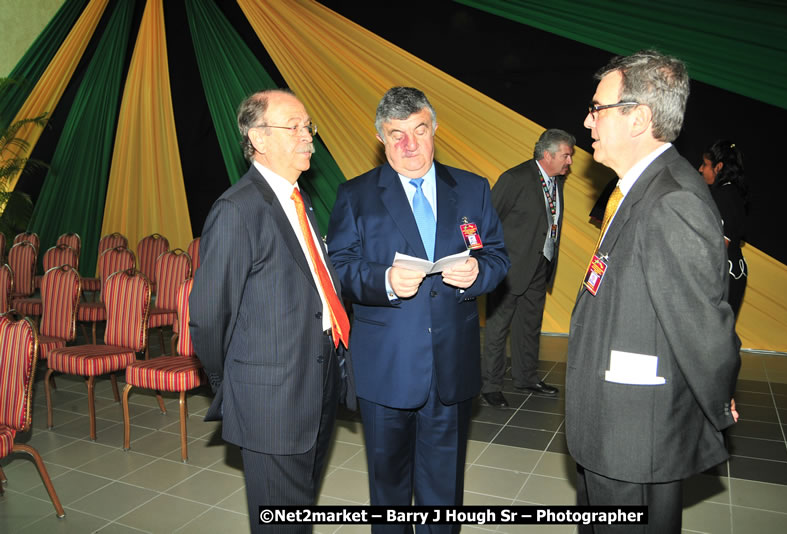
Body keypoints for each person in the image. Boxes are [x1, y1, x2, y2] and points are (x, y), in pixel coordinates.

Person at [565, 50, 741, 532]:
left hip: (634, 434)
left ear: (638, 118)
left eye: (597, 109)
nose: (587, 121)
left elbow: (703, 324)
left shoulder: (672, 200)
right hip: (618, 428)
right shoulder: (641, 189)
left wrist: (718, 396)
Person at [327, 86, 509, 533]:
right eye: (396, 135)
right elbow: (340, 269)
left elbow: (498, 257)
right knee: (388, 488)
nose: (409, 145)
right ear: (381, 140)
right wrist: (384, 281)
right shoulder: (356, 195)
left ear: (434, 129)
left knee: (443, 488)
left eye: (418, 130)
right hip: (387, 366)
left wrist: (478, 274)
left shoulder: (471, 188)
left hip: (451, 364)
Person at [189, 89, 351, 533]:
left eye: (308, 126)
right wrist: (237, 385)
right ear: (258, 138)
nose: (307, 137)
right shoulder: (237, 209)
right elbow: (207, 316)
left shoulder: (300, 201)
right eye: (293, 127)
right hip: (271, 397)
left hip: (316, 380)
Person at [482, 129, 575, 408]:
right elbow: (487, 220)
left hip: (540, 264)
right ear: (547, 155)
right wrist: (492, 261)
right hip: (508, 268)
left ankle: (526, 377)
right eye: (566, 155)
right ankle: (490, 385)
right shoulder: (514, 178)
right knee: (498, 328)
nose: (569, 161)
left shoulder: (556, 181)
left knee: (530, 325)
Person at [699, 140, 749, 318]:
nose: (701, 169)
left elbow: (719, 247)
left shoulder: (723, 197)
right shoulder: (733, 193)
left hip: (722, 279)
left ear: (718, 167)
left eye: (705, 165)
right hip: (734, 274)